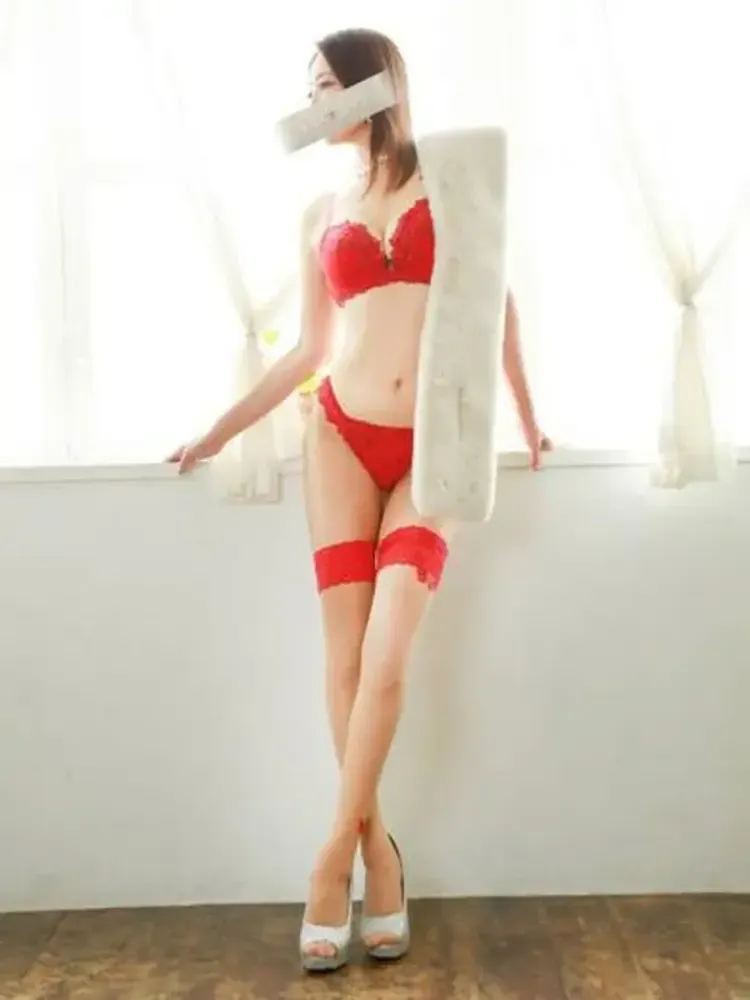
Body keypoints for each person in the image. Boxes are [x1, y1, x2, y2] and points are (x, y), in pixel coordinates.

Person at [169, 27, 549, 973]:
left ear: (375, 87)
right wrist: (218, 431)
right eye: (310, 90)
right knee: (342, 660)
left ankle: (334, 854)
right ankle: (383, 858)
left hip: (431, 445)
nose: (315, 105)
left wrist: (528, 420)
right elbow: (308, 350)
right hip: (338, 434)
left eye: (328, 86)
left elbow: (494, 306)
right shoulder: (319, 212)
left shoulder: (447, 181)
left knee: (386, 657)